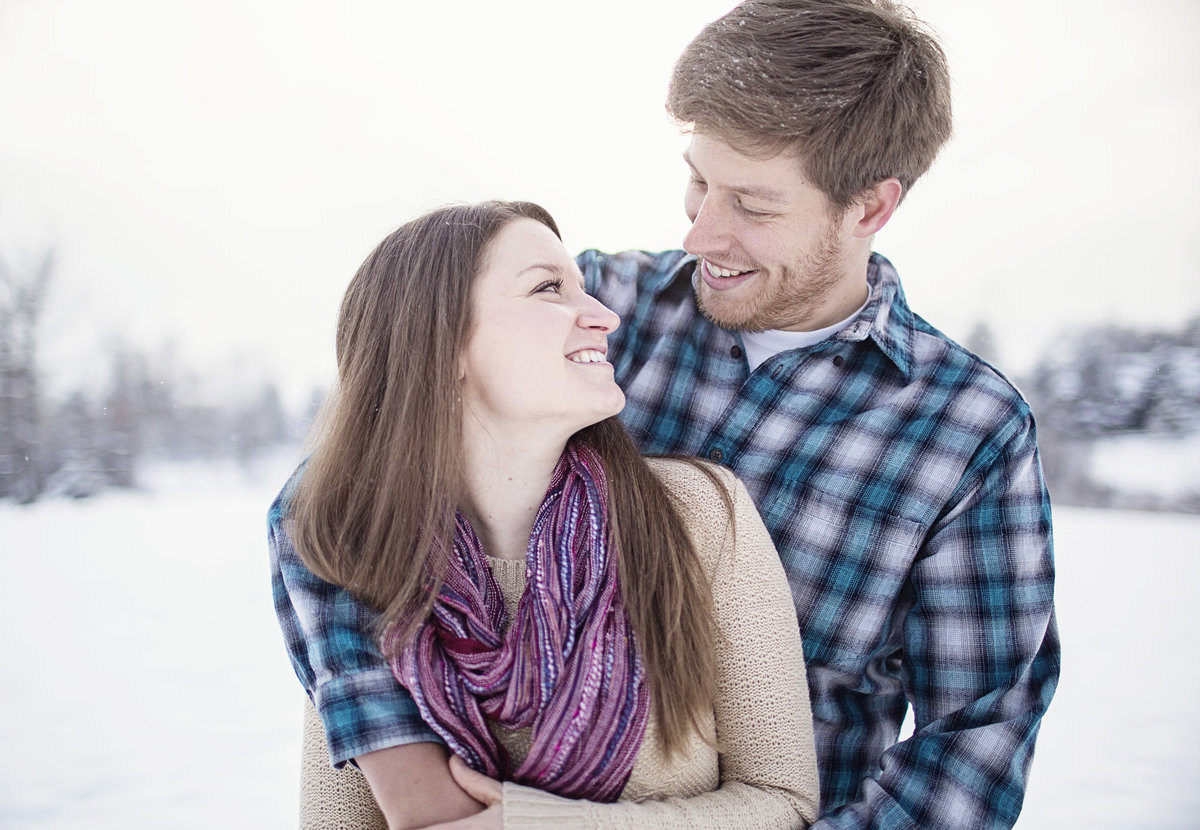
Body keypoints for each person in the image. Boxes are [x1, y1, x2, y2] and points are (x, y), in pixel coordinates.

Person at [277, 1, 1060, 827]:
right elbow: (343, 501)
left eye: (753, 207)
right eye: (698, 182)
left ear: (868, 208)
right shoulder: (599, 310)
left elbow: (972, 747)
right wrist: (401, 762)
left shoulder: (966, 428)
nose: (701, 235)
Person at [269, 200, 820, 829]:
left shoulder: (697, 516)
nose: (605, 317)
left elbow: (785, 802)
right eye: (548, 288)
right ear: (442, 347)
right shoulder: (359, 570)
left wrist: (536, 823)